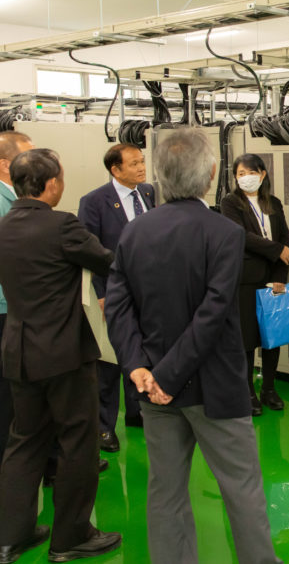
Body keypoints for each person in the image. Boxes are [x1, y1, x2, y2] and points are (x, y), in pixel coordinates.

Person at [105, 129, 280, 564]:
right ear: (212, 173)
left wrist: (139, 368)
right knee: (240, 487)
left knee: (165, 490)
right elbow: (213, 312)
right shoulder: (223, 232)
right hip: (214, 387)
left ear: (159, 175)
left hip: (152, 386)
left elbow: (118, 307)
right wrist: (166, 376)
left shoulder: (134, 232)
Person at [0, 148, 122, 563]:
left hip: (18, 351)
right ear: (52, 183)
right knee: (77, 442)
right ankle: (71, 536)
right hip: (63, 355)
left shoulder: (5, 225)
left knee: (24, 441)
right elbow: (108, 261)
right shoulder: (61, 225)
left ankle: (11, 535)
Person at [78, 144, 156, 453]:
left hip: (147, 290)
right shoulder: (94, 202)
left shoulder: (148, 193)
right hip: (113, 291)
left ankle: (137, 411)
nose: (141, 167)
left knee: (139, 350)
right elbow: (89, 250)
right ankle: (104, 427)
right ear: (115, 169)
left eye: (142, 161)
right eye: (134, 163)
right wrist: (101, 293)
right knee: (110, 360)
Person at [220, 154, 289, 415]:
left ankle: (269, 389)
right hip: (245, 280)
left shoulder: (273, 203)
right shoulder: (230, 203)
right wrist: (276, 250)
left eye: (250, 172)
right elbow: (241, 236)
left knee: (272, 337)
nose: (245, 178)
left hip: (272, 279)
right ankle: (248, 392)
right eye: (240, 174)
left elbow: (285, 240)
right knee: (247, 339)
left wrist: (280, 277)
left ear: (262, 174)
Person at [0, 131, 34, 466]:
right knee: (7, 396)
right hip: (6, 308)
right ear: (5, 165)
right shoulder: (3, 203)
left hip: (17, 307)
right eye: (27, 157)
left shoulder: (14, 198)